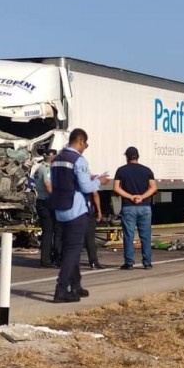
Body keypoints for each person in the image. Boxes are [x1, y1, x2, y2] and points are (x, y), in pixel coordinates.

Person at [50, 128, 109, 303]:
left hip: (61, 209)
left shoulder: (57, 159)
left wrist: (86, 177)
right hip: (76, 210)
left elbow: (59, 182)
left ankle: (76, 285)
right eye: (86, 144)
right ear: (81, 141)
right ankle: (61, 289)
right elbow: (86, 187)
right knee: (72, 251)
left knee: (71, 249)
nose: (85, 148)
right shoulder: (78, 160)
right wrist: (100, 181)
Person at [113, 146, 157, 270]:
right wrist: (142, 197)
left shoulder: (121, 170)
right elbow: (153, 187)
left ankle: (129, 262)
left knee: (128, 235)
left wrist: (131, 197)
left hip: (129, 206)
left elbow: (116, 188)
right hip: (144, 207)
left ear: (127, 157)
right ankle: (147, 262)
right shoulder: (147, 170)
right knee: (145, 236)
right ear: (138, 156)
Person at [34, 149, 61, 268]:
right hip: (47, 201)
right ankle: (49, 259)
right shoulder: (47, 169)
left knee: (47, 231)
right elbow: (47, 184)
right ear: (52, 157)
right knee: (53, 231)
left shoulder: (39, 168)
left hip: (40, 200)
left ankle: (46, 258)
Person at [84, 191, 104, 269]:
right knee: (90, 239)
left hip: (74, 212)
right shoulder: (88, 180)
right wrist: (99, 211)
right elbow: (95, 194)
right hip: (87, 211)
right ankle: (93, 262)